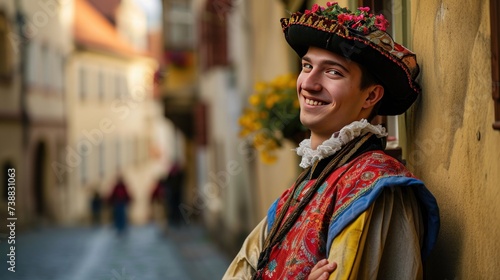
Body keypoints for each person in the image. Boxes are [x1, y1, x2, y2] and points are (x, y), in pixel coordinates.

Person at [223, 3, 439, 280]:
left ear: (370, 97)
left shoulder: (376, 185)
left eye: (333, 72)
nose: (309, 83)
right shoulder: (297, 193)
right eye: (307, 66)